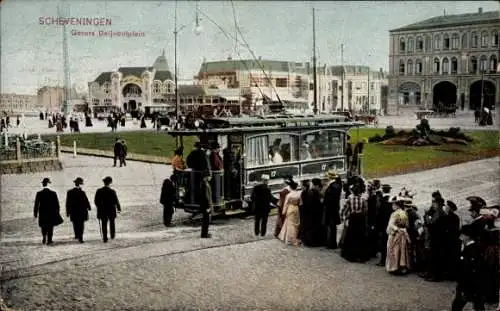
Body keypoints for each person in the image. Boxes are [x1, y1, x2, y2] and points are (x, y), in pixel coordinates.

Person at [451, 225, 485, 311]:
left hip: (468, 283)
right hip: (474, 283)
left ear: (468, 236)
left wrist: (462, 285)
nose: (460, 237)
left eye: (462, 235)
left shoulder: (471, 249)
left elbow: (467, 268)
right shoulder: (471, 247)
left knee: (457, 305)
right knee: (478, 304)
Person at [340, 184, 369, 263]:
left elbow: (344, 210)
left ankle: (351, 256)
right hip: (360, 218)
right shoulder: (363, 199)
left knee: (351, 236)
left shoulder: (349, 199)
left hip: (353, 218)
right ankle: (361, 256)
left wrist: (343, 218)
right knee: (360, 237)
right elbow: (366, 210)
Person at [385, 197, 411, 275]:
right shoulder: (405, 213)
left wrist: (396, 229)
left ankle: (394, 267)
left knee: (393, 250)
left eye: (393, 204)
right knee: (402, 250)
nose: (392, 206)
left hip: (395, 234)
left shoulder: (394, 214)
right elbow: (407, 225)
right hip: (403, 234)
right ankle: (401, 267)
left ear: (396, 205)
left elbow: (391, 225)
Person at [33, 178, 63, 245]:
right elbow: (57, 204)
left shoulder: (39, 193)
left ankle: (44, 237)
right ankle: (49, 240)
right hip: (51, 212)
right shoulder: (53, 193)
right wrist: (57, 212)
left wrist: (35, 213)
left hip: (42, 212)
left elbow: (36, 204)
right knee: (50, 226)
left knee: (43, 226)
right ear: (49, 184)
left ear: (43, 184)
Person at [94, 176, 121, 243]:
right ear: (110, 183)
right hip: (111, 210)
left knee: (104, 223)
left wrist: (99, 207)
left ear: (104, 182)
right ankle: (112, 235)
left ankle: (105, 237)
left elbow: (96, 201)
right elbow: (116, 201)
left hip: (102, 210)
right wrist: (118, 208)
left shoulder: (99, 191)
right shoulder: (112, 191)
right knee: (112, 223)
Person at [65, 177, 91, 243]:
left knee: (75, 223)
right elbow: (86, 201)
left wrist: (68, 211)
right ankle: (80, 237)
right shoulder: (82, 192)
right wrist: (89, 207)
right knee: (81, 224)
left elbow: (68, 203)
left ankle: (77, 235)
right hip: (82, 211)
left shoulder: (70, 192)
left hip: (73, 211)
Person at [278, 179, 301, 246]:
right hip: (296, 208)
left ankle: (288, 238)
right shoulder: (298, 194)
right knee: (295, 224)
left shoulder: (289, 195)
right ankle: (295, 237)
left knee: (289, 224)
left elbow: (286, 204)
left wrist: (283, 211)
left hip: (290, 208)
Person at [301, 178, 324, 246]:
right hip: (316, 212)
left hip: (311, 212)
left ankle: (310, 241)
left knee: (311, 227)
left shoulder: (310, 192)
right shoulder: (316, 192)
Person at [442, 200, 461, 281]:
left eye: (447, 207)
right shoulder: (453, 217)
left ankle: (451, 274)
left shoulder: (452, 217)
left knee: (451, 257)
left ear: (450, 208)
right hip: (451, 240)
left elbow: (451, 230)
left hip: (451, 240)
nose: (445, 208)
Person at [323, 171, 342, 249]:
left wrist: (324, 201)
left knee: (331, 226)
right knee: (332, 226)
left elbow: (329, 199)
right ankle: (331, 242)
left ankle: (331, 243)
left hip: (331, 209)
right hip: (334, 208)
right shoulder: (337, 185)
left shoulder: (332, 186)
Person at [376, 184, 393, 266]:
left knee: (384, 243)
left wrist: (377, 227)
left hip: (383, 226)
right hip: (391, 224)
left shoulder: (381, 201)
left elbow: (379, 215)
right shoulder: (393, 200)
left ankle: (383, 260)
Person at [199, 171, 212, 238]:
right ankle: (204, 234)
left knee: (206, 220)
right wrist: (207, 207)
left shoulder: (203, 183)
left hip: (204, 205)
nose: (210, 177)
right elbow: (205, 197)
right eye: (209, 176)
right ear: (206, 177)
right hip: (205, 206)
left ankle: (205, 233)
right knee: (205, 220)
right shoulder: (204, 184)